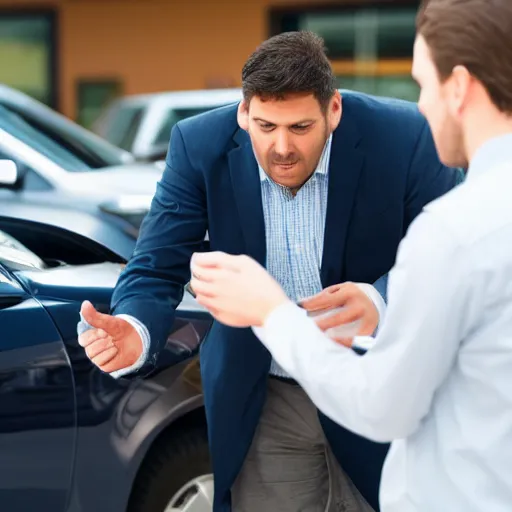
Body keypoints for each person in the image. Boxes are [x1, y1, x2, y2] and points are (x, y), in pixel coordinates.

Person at [77, 31, 462, 512]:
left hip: (382, 389)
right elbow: (156, 264)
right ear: (243, 113)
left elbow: (450, 256)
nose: (281, 147)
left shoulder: (406, 138)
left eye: (300, 127)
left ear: (334, 111)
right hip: (267, 397)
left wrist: (383, 300)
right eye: (265, 126)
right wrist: (134, 329)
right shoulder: (198, 146)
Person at [189, 1, 512, 511]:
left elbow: (384, 405)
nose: (421, 106)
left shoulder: (456, 229)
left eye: (422, 84)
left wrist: (271, 312)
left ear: (460, 88)